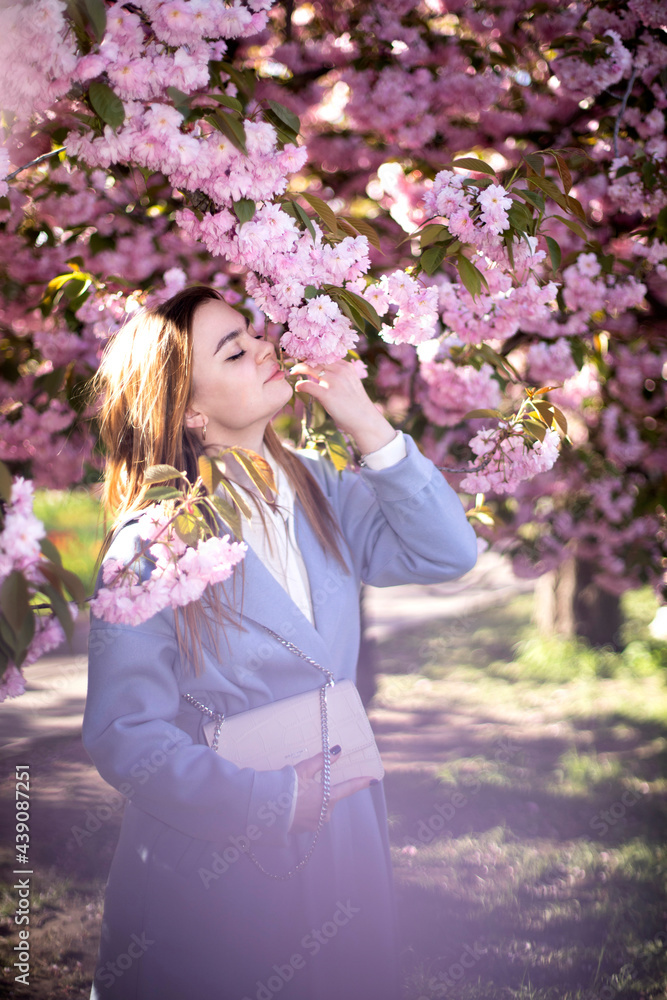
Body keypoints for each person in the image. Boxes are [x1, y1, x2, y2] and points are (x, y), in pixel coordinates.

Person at [83, 284, 478, 1000]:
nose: (264, 346)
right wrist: (270, 803)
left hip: (344, 824)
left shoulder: (321, 491)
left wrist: (362, 419)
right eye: (233, 350)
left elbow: (445, 553)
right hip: (216, 845)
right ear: (191, 411)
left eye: (253, 334)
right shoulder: (155, 543)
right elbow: (123, 734)